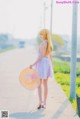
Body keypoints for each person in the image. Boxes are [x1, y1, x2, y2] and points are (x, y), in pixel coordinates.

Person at [29, 29, 54, 109]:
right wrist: (51, 65)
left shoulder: (44, 43)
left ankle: (40, 103)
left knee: (39, 84)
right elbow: (50, 56)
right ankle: (44, 103)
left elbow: (41, 56)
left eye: (41, 34)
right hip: (47, 64)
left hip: (42, 64)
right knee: (45, 84)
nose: (40, 36)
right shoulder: (49, 43)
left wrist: (33, 64)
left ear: (45, 35)